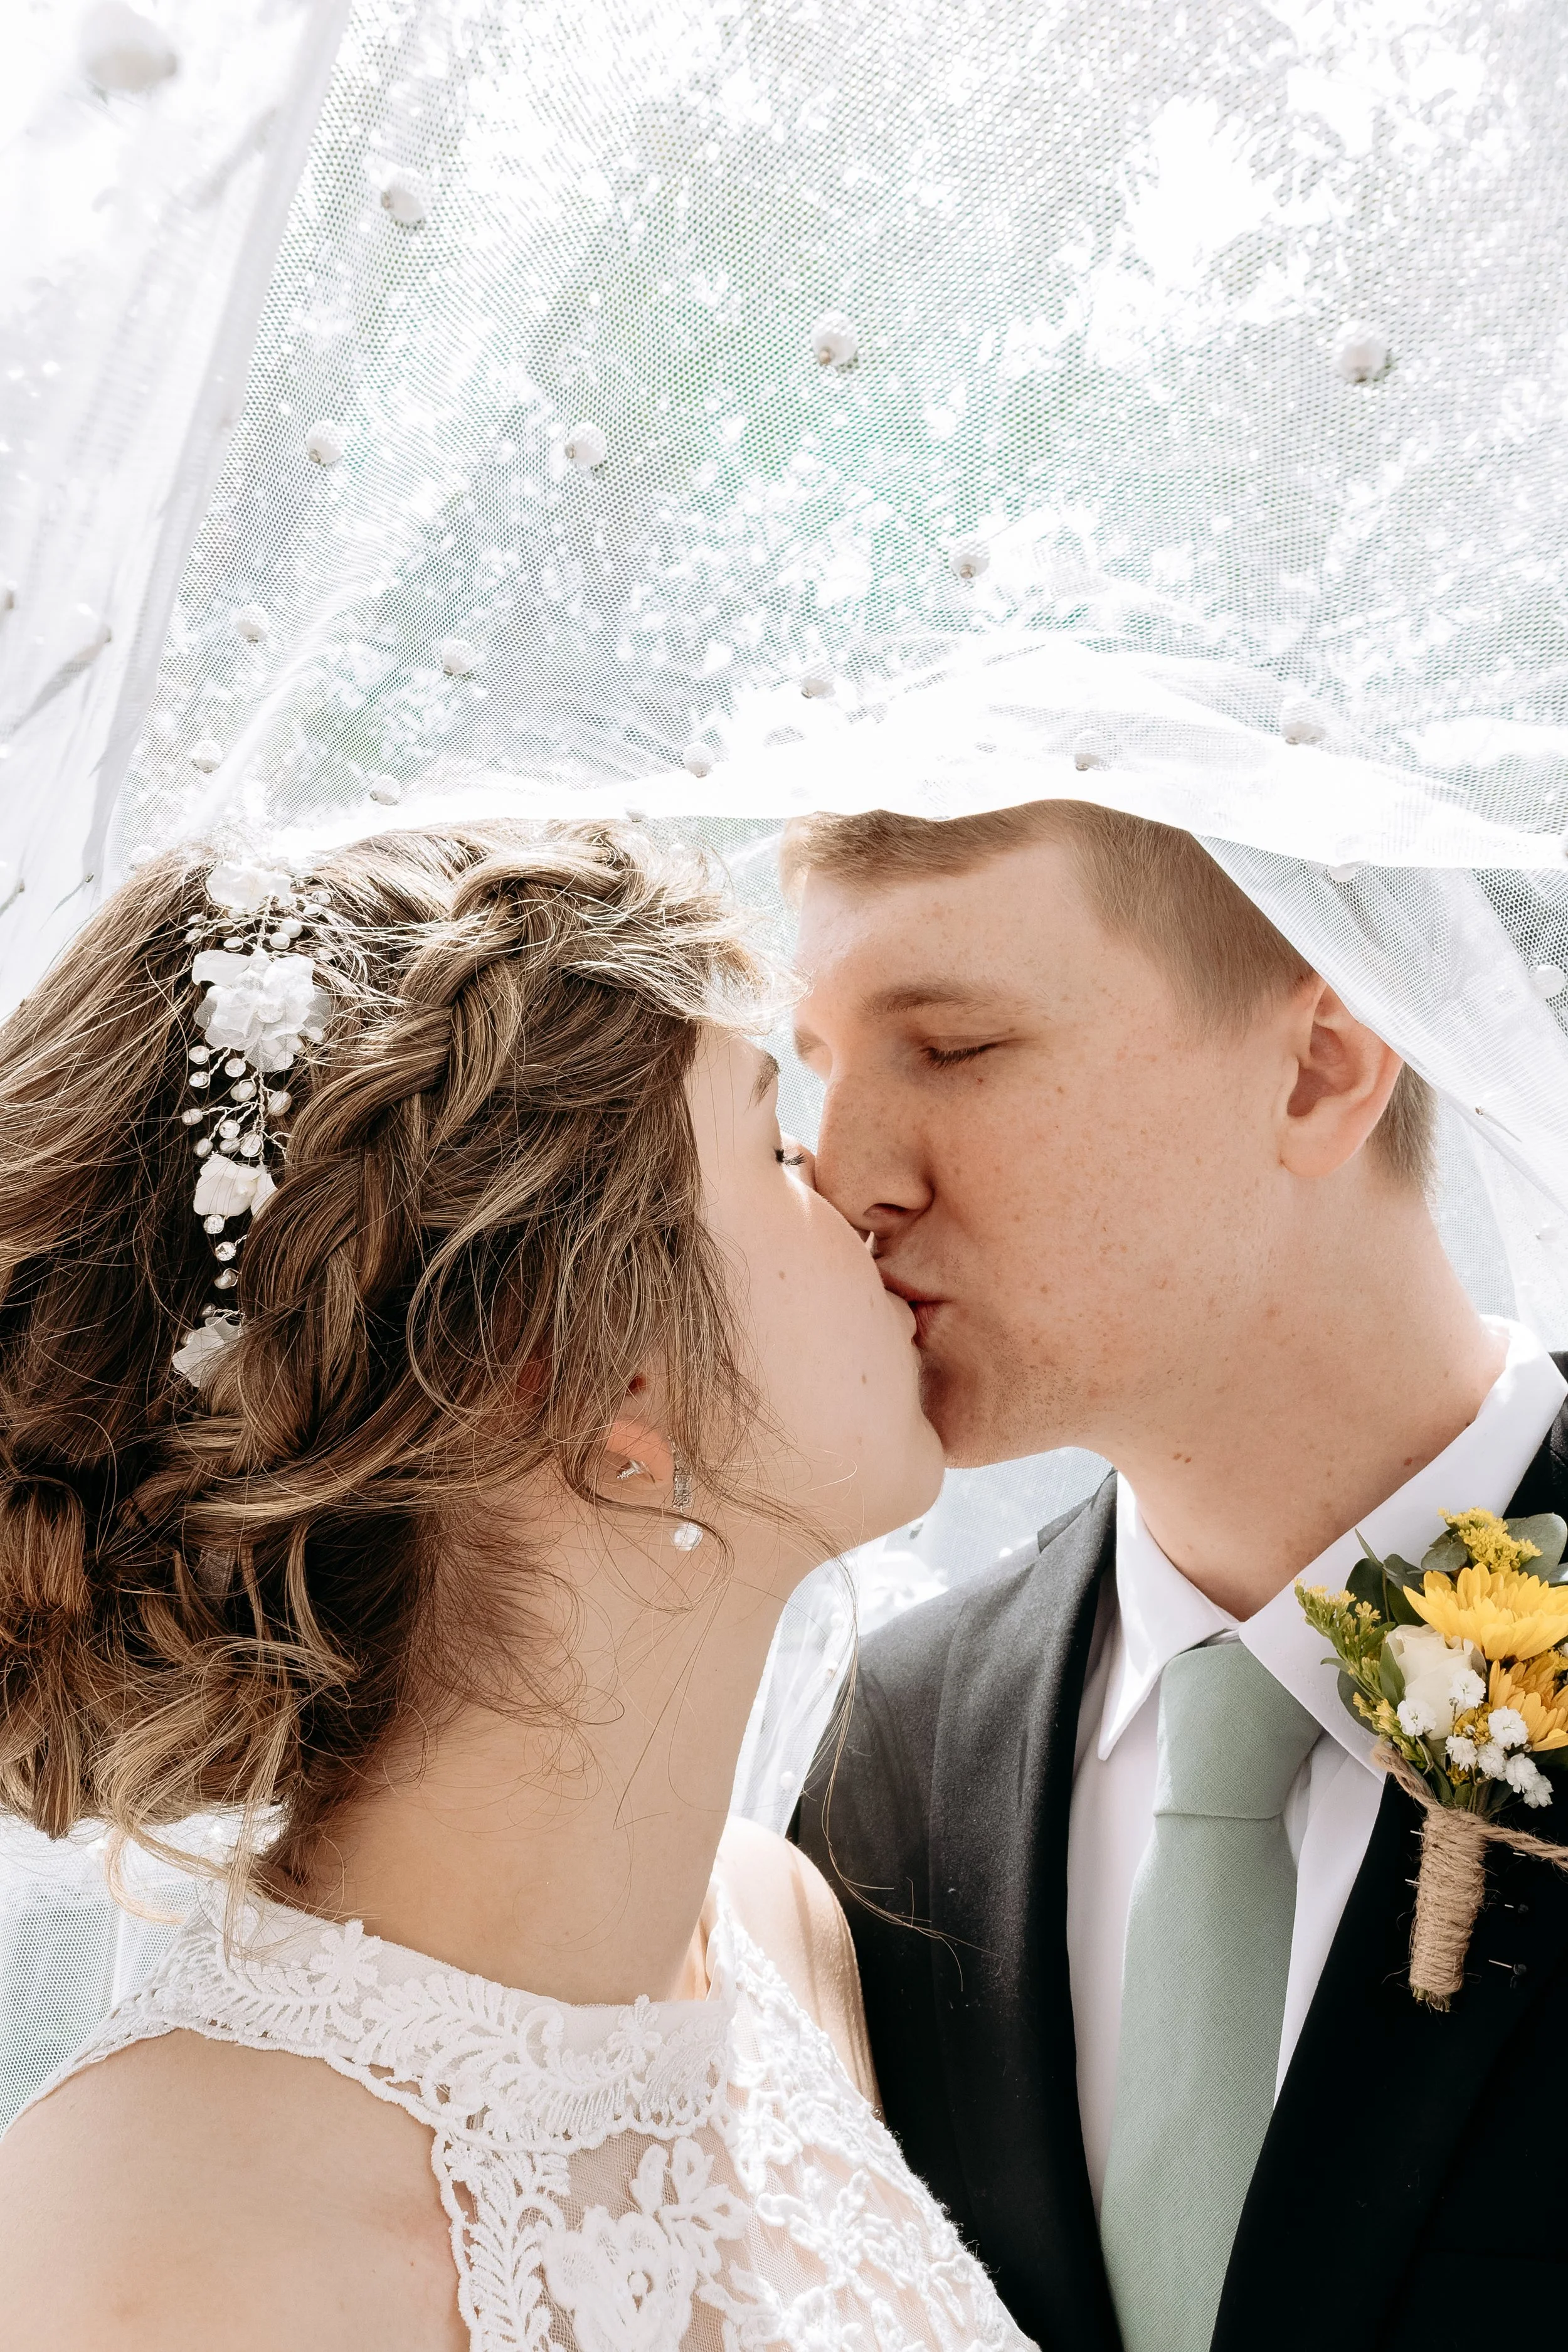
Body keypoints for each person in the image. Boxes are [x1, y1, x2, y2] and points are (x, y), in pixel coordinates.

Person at [0, 821, 1031, 2352]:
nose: (855, 1191)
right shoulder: (158, 2243)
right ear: (590, 1380)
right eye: (766, 1145)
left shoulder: (772, 1927)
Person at [788, 799, 1568, 2352]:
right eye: (813, 1066)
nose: (842, 1173)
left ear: (1318, 1069)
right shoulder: (875, 1750)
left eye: (949, 1048)